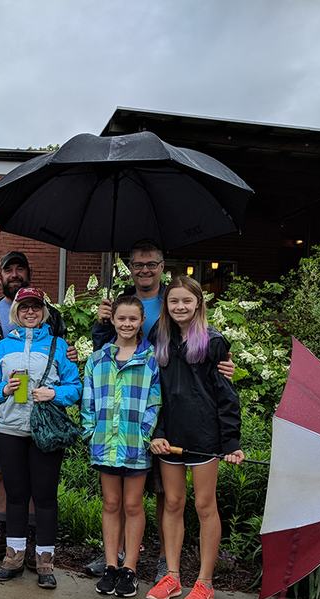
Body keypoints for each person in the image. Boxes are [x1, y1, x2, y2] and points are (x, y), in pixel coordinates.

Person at [85, 240, 235, 581]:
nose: (144, 270)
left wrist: (224, 366)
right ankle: (120, 554)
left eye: (151, 264)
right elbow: (104, 354)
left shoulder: (172, 300)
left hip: (165, 410)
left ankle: (160, 558)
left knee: (163, 494)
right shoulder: (121, 300)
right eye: (138, 264)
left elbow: (202, 352)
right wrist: (101, 323)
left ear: (162, 266)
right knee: (124, 492)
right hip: (134, 414)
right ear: (131, 267)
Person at [146, 276, 244, 599]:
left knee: (205, 506)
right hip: (169, 436)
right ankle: (172, 575)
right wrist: (155, 432)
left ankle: (204, 582)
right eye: (174, 301)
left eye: (186, 301)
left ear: (199, 303)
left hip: (204, 436)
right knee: (172, 503)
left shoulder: (213, 342)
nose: (180, 307)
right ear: (166, 305)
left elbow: (226, 395)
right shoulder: (158, 339)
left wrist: (230, 442)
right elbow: (151, 392)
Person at [0, 251, 69, 569]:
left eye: (19, 269)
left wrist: (57, 388)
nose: (14, 274)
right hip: (4, 418)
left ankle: (39, 550)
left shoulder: (53, 329)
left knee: (41, 488)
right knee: (7, 481)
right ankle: (8, 544)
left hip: (41, 421)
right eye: (7, 269)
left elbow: (67, 372)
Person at [0, 287, 81, 589]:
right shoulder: (1, 347)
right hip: (11, 429)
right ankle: (13, 557)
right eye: (24, 307)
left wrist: (54, 393)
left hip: (44, 431)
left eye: (36, 308)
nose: (30, 312)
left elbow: (75, 387)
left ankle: (45, 561)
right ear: (16, 311)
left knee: (45, 496)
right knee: (15, 494)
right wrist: (4, 391)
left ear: (43, 312)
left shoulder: (58, 345)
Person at [82, 295, 161, 598]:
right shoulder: (98, 358)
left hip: (134, 445)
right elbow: (88, 398)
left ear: (141, 322)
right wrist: (90, 430)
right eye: (121, 319)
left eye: (133, 319)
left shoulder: (150, 358)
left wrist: (144, 435)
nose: (127, 324)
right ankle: (111, 565)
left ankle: (130, 567)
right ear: (112, 320)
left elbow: (155, 400)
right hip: (105, 442)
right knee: (111, 504)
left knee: (133, 505)